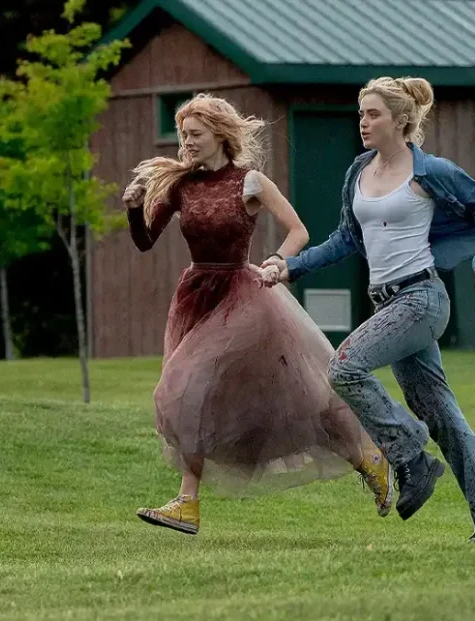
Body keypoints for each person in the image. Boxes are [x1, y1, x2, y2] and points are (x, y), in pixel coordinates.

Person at [262, 77, 475, 541]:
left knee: (344, 367)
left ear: (401, 120)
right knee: (440, 413)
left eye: (373, 114)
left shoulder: (431, 170)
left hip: (421, 299)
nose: (363, 122)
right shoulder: (358, 171)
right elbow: (345, 238)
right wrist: (291, 266)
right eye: (361, 114)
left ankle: (409, 456)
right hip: (386, 303)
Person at [123, 93, 392, 536]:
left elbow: (298, 230)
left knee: (203, 389)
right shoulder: (180, 186)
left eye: (195, 134)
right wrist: (135, 209)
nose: (186, 142)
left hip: (245, 295)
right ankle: (189, 503)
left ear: (219, 135)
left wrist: (277, 261)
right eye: (183, 135)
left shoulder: (249, 182)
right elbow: (145, 241)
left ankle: (368, 456)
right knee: (234, 398)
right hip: (197, 297)